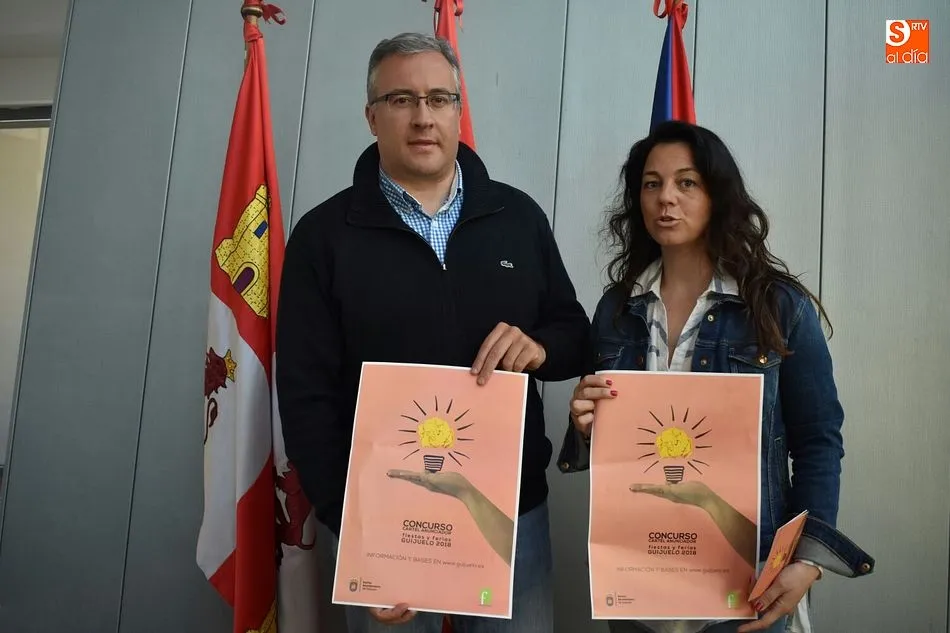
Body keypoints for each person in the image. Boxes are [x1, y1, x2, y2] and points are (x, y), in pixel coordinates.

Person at [275, 32, 590, 633]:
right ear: (371, 116)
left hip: (511, 514)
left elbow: (575, 332)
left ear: (457, 110)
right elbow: (305, 393)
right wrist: (353, 529)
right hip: (383, 520)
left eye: (440, 99)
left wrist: (541, 348)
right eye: (401, 100)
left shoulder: (517, 217)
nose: (423, 117)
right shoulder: (323, 237)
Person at [558, 120, 875, 633]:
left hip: (748, 581)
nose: (666, 199)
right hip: (640, 583)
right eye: (652, 183)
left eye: (687, 182)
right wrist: (585, 424)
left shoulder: (777, 306)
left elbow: (818, 440)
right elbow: (619, 451)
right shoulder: (617, 309)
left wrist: (809, 560)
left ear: (717, 195)